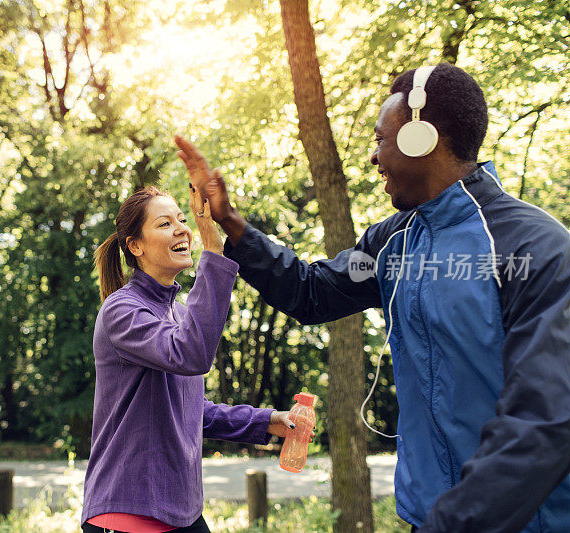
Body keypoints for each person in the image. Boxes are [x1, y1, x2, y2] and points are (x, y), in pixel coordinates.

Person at [175, 62, 570, 532]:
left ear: (421, 138)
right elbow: (313, 292)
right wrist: (230, 221)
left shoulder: (534, 247)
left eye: (381, 140)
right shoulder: (392, 243)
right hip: (428, 520)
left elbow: (545, 420)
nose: (373, 157)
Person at [82, 185, 302, 533]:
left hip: (182, 513)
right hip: (128, 513)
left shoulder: (181, 316)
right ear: (135, 245)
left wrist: (268, 421)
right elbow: (192, 354)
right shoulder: (122, 311)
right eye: (165, 223)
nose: (183, 229)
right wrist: (213, 252)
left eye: (182, 220)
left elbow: (193, 411)